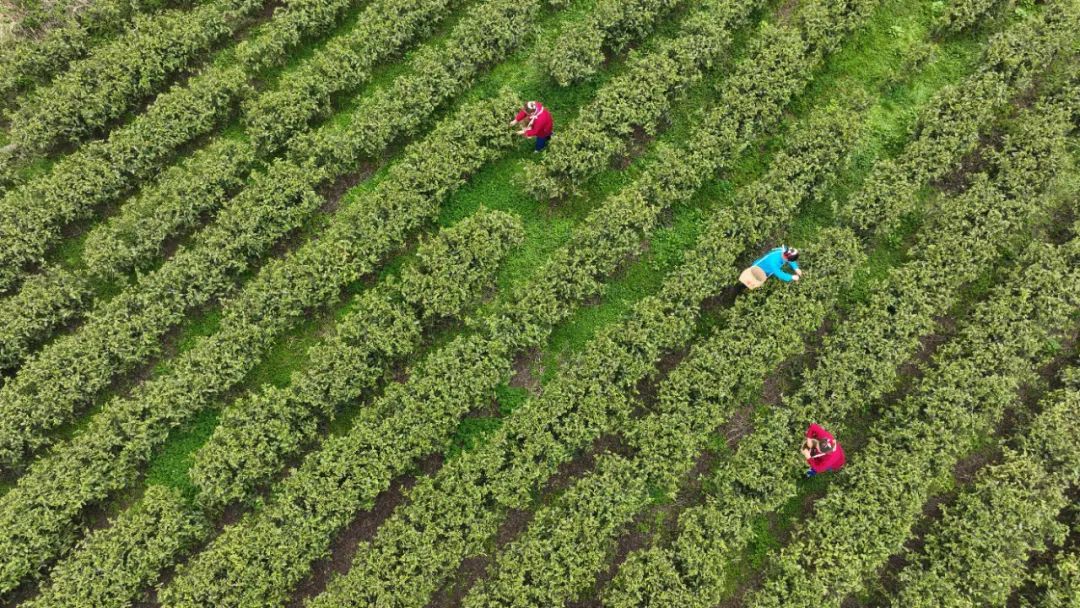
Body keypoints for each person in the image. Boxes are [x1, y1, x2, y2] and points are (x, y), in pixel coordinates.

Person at [733, 245, 803, 295]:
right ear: (786, 258)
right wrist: (791, 277)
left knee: (754, 281)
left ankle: (744, 286)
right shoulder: (773, 261)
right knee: (751, 279)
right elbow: (779, 273)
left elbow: (790, 259)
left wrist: (796, 268)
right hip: (758, 268)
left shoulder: (785, 251)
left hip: (767, 269)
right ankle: (741, 287)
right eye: (788, 260)